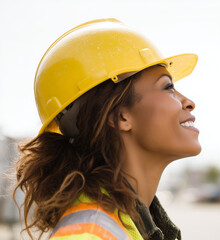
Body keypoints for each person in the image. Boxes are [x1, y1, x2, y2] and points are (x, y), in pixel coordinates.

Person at [14, 18, 201, 240]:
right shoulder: (88, 235)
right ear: (120, 116)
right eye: (168, 87)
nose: (188, 102)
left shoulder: (125, 222)